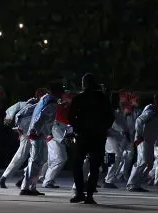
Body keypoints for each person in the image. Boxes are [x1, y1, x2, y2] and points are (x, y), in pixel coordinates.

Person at [67, 74, 114, 204]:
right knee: (94, 166)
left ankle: (80, 192)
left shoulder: (79, 98)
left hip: (83, 135)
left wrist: (77, 128)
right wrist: (103, 128)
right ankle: (90, 195)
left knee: (77, 164)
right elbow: (110, 117)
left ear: (84, 84)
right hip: (98, 136)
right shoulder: (102, 98)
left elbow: (71, 117)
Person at [21, 82, 64, 197]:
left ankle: (30, 187)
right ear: (59, 92)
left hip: (38, 133)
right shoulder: (52, 103)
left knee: (37, 161)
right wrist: (36, 130)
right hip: (39, 134)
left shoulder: (45, 99)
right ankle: (27, 187)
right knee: (36, 162)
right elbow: (42, 116)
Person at [0, 89, 45, 189]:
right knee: (22, 155)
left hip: (36, 134)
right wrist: (10, 118)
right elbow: (12, 111)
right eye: (44, 94)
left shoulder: (42, 105)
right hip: (27, 134)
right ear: (39, 95)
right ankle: (3, 178)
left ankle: (24, 179)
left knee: (38, 158)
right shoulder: (27, 104)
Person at [127, 94, 158, 192]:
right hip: (143, 139)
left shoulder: (157, 111)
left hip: (149, 140)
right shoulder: (151, 109)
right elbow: (139, 120)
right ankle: (132, 184)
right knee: (142, 162)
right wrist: (139, 135)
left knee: (148, 164)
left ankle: (136, 183)